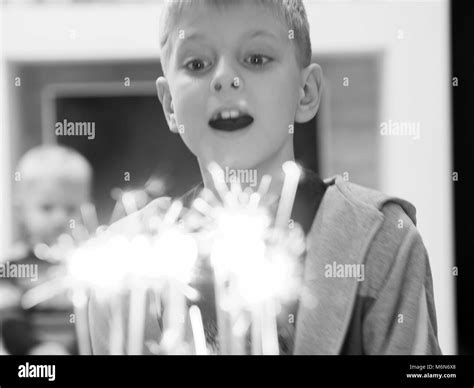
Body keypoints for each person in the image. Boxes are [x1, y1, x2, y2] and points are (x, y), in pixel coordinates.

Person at [89, 0, 441, 355]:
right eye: (197, 64)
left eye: (256, 59)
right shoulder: (127, 261)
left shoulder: (379, 236)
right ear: (169, 105)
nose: (225, 78)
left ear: (306, 92)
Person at [1, 145, 92, 355]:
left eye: (71, 209)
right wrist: (36, 349)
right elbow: (7, 319)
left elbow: (97, 317)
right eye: (47, 207)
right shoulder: (12, 265)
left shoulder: (89, 264)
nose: (60, 218)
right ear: (20, 211)